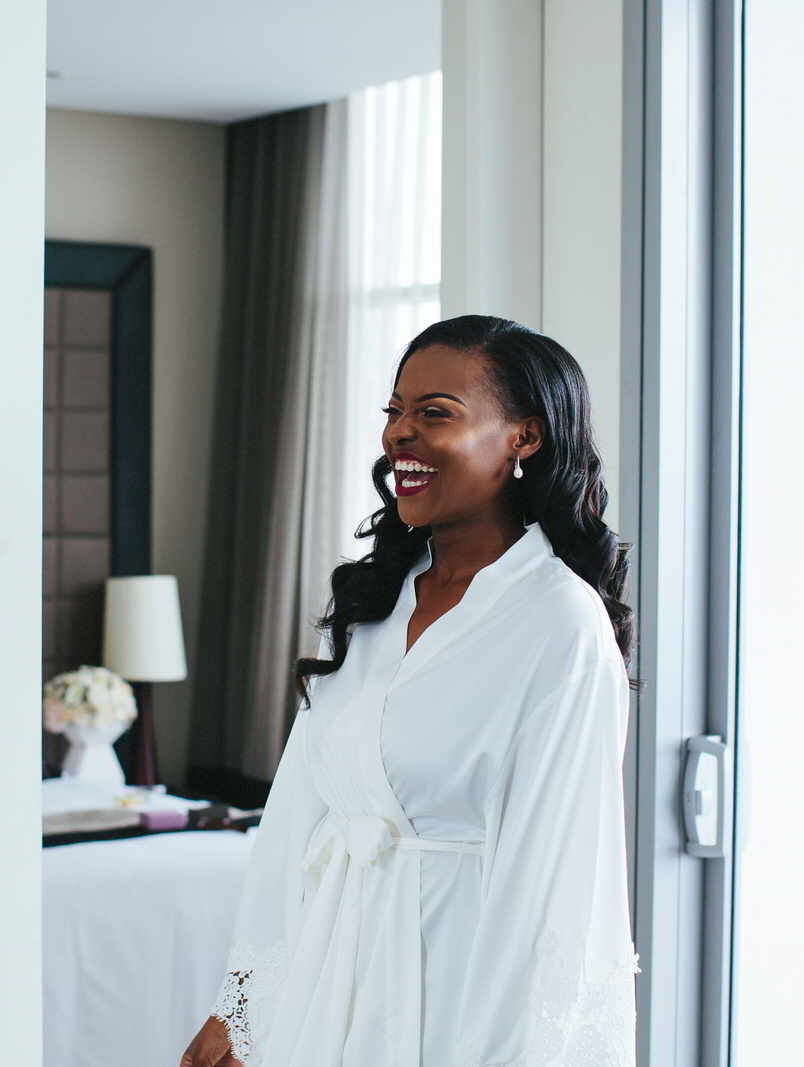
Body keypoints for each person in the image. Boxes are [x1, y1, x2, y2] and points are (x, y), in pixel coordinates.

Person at [181, 315, 638, 1067]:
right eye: (395, 411)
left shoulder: (559, 623)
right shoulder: (373, 599)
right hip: (326, 992)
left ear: (524, 437)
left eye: (435, 413)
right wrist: (241, 1006)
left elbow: (551, 887)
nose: (400, 434)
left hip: (457, 1003)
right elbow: (295, 815)